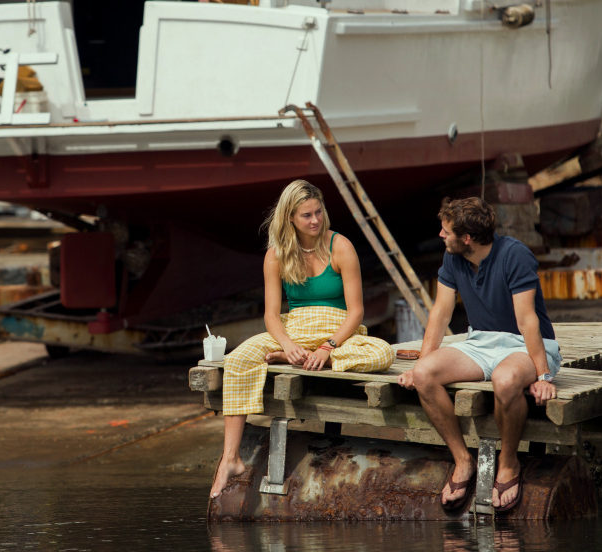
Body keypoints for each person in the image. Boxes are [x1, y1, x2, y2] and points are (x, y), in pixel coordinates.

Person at [209, 179, 395, 499]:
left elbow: (356, 312)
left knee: (382, 354)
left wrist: (329, 347)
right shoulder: (277, 255)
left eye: (318, 212)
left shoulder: (340, 246)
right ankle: (231, 458)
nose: (315, 220)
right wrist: (287, 345)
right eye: (306, 215)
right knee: (238, 359)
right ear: (290, 218)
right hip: (293, 329)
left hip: (338, 331)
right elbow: (271, 316)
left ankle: (310, 359)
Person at [397, 197, 561, 513]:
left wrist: (543, 376)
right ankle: (462, 460)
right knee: (423, 375)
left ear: (467, 239)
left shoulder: (515, 255)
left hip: (523, 346)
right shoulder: (453, 259)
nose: (441, 236)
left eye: (447, 231)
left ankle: (509, 462)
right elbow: (441, 313)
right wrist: (420, 363)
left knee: (505, 379)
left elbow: (527, 320)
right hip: (480, 342)